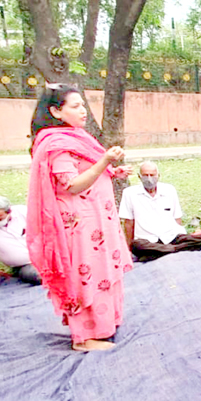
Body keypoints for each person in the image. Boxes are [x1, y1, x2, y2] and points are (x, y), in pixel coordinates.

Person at [27, 83, 133, 351]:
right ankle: (83, 339)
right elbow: (71, 185)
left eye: (83, 104)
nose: (83, 111)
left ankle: (104, 325)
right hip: (79, 226)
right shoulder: (57, 145)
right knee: (86, 274)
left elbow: (88, 171)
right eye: (75, 106)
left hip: (96, 221)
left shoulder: (75, 137)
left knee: (103, 270)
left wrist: (112, 172)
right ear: (55, 111)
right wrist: (105, 162)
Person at [120, 161, 201, 262]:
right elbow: (128, 223)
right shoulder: (130, 193)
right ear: (139, 176)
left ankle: (160, 252)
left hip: (170, 237)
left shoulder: (169, 190)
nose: (149, 178)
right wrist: (128, 248)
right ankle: (175, 250)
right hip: (147, 239)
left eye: (152, 175)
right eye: (145, 175)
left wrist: (181, 235)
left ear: (158, 176)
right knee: (137, 246)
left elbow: (177, 217)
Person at [0, 196, 41, 285]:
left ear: (8, 211)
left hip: (47, 255)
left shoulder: (22, 212)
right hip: (24, 265)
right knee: (35, 275)